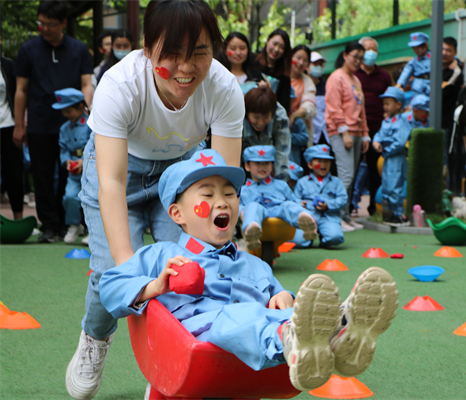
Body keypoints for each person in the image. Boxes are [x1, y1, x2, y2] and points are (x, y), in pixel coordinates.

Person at [98, 148, 399, 394]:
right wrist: (155, 285)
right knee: (237, 315)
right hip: (195, 340)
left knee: (280, 313)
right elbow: (109, 284)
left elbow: (277, 298)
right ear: (178, 214)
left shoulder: (254, 264)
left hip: (255, 336)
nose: (223, 202)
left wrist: (282, 295)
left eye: (230, 194)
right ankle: (291, 338)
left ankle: (340, 333)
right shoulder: (162, 254)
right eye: (207, 195)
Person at [64, 2, 245, 399]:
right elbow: (110, 182)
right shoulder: (120, 85)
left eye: (199, 51)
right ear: (148, 50)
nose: (186, 67)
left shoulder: (224, 88)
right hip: (117, 172)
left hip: (181, 175)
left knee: (187, 271)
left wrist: (223, 247)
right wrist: (130, 269)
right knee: (112, 268)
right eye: (172, 54)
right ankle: (95, 338)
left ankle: (170, 365)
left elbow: (224, 181)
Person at [13, 0, 94, 243]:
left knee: (71, 173)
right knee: (42, 175)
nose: (45, 28)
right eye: (41, 23)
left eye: (50, 24)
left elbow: (86, 84)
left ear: (63, 23)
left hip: (73, 126)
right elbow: (21, 89)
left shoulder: (79, 49)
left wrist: (86, 116)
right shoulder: (28, 50)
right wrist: (19, 124)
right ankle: (49, 225)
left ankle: (70, 223)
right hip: (39, 122)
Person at [325, 42, 370, 232]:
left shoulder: (356, 80)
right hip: (341, 133)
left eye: (361, 58)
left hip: (357, 133)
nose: (358, 61)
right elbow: (334, 107)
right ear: (345, 55)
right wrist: (344, 132)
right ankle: (337, 218)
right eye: (355, 57)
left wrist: (365, 134)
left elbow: (361, 110)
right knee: (346, 176)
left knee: (351, 177)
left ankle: (346, 216)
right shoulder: (336, 78)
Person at [240, 145, 317, 250]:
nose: (262, 167)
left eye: (266, 163)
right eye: (257, 163)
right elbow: (238, 206)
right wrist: (241, 212)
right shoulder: (243, 190)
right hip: (258, 214)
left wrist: (299, 205)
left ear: (272, 166)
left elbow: (293, 200)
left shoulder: (281, 185)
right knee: (252, 207)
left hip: (278, 212)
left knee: (288, 205)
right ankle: (252, 230)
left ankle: (306, 220)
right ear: (247, 166)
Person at [354, 36, 393, 216]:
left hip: (378, 129)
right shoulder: (353, 75)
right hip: (356, 128)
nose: (370, 53)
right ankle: (348, 207)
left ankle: (373, 208)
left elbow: (390, 100)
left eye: (374, 50)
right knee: (352, 168)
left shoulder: (384, 76)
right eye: (367, 49)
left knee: (375, 168)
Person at [53, 88, 92, 243]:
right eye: (64, 112)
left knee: (92, 199)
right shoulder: (64, 129)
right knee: (69, 197)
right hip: (74, 174)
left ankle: (93, 230)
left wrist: (85, 161)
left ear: (80, 107)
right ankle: (74, 226)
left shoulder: (91, 125)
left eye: (70, 111)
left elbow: (98, 147)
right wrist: (67, 161)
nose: (67, 115)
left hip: (91, 172)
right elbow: (63, 149)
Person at [292, 145, 347, 248]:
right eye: (319, 161)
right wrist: (299, 204)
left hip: (329, 217)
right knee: (298, 242)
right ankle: (310, 238)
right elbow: (295, 199)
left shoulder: (336, 181)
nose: (323, 164)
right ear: (310, 164)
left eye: (326, 161)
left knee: (335, 237)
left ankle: (325, 238)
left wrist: (328, 205)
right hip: (308, 218)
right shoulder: (302, 182)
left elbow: (343, 198)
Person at [372, 87, 411, 226]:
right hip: (388, 158)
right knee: (387, 185)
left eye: (388, 103)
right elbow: (379, 134)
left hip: (396, 158)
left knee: (395, 186)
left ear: (398, 105)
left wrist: (385, 149)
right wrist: (375, 141)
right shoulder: (386, 121)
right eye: (384, 103)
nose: (385, 107)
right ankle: (389, 214)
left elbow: (400, 143)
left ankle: (399, 215)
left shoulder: (402, 123)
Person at [242, 87, 291, 180]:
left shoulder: (280, 117)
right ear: (247, 113)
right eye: (256, 117)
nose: (260, 123)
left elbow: (282, 151)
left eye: (265, 117)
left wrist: (280, 184)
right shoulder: (236, 117)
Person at [1, 41, 23, 221]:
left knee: (14, 173)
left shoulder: (8, 65)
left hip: (8, 125)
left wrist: (19, 124)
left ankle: (18, 218)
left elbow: (18, 92)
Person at [441, 37, 465, 195]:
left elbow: (445, 91)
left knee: (445, 160)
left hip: (446, 122)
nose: (444, 53)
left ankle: (447, 194)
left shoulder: (456, 72)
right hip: (427, 120)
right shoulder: (432, 68)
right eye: (442, 49)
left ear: (454, 52)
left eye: (449, 50)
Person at [255, 29, 292, 113]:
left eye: (282, 47)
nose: (276, 49)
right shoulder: (253, 62)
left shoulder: (284, 76)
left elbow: (284, 106)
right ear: (268, 41)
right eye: (274, 44)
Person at [289, 45, 317, 146]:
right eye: (298, 58)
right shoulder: (280, 77)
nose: (300, 63)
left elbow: (310, 106)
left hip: (299, 132)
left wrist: (293, 116)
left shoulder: (308, 82)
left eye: (305, 60)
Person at [395, 32, 431, 100]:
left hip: (432, 87)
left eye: (419, 47)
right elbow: (405, 73)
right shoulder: (413, 62)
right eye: (414, 48)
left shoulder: (435, 57)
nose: (416, 50)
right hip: (418, 88)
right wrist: (398, 85)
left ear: (426, 44)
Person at [309, 51, 328, 146]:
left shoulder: (327, 86)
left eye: (321, 65)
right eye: (315, 64)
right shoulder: (303, 84)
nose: (318, 67)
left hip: (326, 134)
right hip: (310, 135)